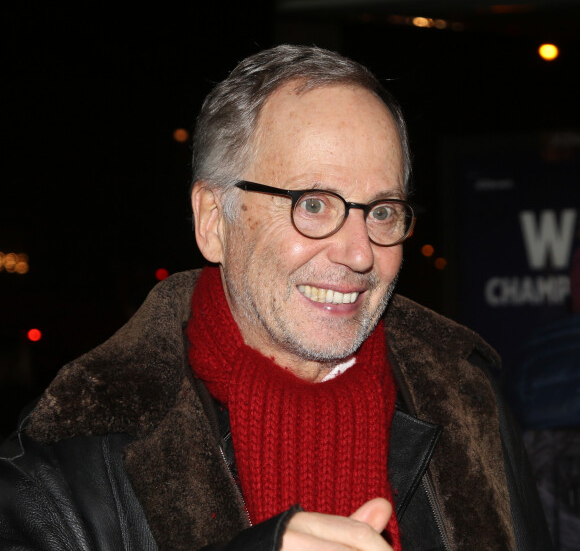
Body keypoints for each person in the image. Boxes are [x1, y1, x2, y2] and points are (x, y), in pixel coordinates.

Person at [0, 45, 551, 550]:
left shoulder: (468, 403)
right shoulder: (71, 452)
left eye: (381, 211)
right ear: (214, 221)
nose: (360, 254)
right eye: (313, 204)